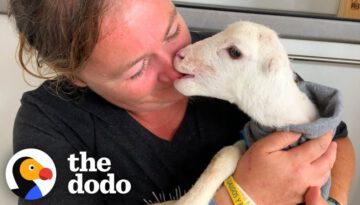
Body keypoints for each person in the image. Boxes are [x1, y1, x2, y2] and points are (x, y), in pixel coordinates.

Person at [9, 0, 354, 204]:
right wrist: (241, 195)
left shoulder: (226, 56)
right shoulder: (44, 128)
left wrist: (330, 199)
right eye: (138, 68)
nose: (176, 62)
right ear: (76, 76)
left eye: (173, 31)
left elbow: (336, 136)